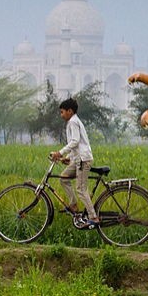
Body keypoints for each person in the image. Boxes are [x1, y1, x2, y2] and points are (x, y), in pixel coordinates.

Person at [50, 98, 98, 228]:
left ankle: (93, 217)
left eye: (62, 112)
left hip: (83, 159)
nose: (61, 115)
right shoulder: (73, 121)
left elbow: (75, 141)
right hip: (78, 158)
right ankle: (73, 205)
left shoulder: (73, 122)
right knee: (63, 178)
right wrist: (69, 157)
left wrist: (59, 153)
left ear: (70, 111)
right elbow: (77, 144)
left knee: (81, 189)